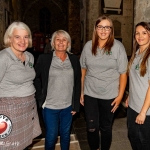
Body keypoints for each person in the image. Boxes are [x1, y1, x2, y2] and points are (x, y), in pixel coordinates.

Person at [80, 15, 128, 150]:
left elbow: (123, 74)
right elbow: (83, 70)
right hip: (90, 93)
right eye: (100, 27)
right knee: (91, 127)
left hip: (110, 94)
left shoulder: (118, 47)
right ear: (96, 29)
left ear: (111, 30)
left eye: (107, 27)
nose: (103, 30)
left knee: (106, 127)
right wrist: (81, 91)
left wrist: (120, 96)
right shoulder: (88, 46)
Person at [34, 30, 81, 150]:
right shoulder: (44, 59)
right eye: (58, 39)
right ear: (53, 43)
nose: (61, 42)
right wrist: (40, 97)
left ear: (68, 43)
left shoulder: (74, 60)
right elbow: (35, 78)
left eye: (64, 40)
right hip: (50, 106)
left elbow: (77, 82)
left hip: (67, 107)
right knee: (51, 135)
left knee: (66, 135)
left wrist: (76, 105)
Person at [0, 21, 41, 150]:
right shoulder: (3, 58)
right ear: (9, 38)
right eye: (17, 37)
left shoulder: (29, 57)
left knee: (24, 143)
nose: (22, 41)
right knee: (8, 145)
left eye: (26, 37)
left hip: (29, 108)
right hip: (9, 109)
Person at [127, 22, 150, 150]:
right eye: (137, 33)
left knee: (145, 142)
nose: (140, 36)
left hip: (145, 110)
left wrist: (143, 112)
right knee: (133, 137)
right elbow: (136, 78)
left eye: (144, 33)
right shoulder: (137, 53)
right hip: (133, 106)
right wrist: (130, 95)